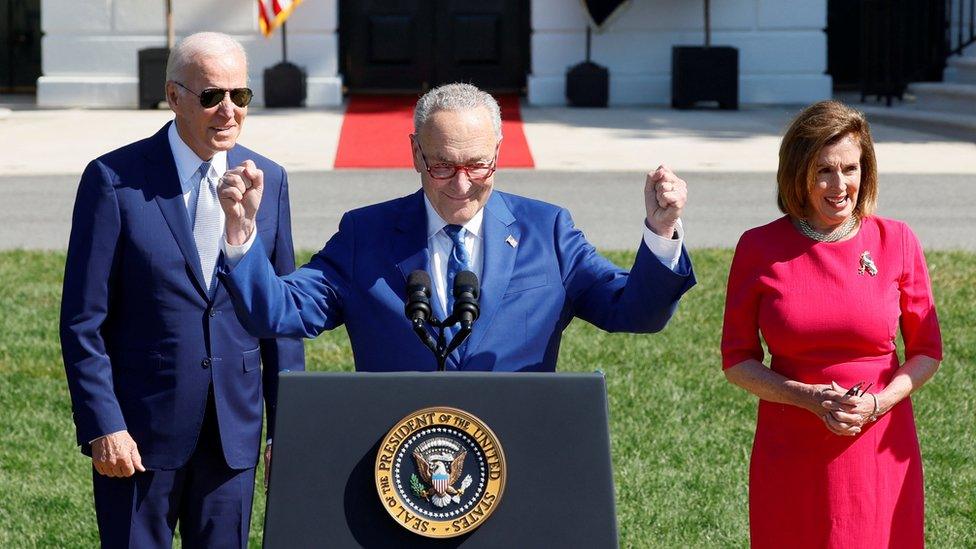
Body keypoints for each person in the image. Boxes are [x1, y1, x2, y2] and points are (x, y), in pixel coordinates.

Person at [217, 82, 696, 373]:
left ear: (499, 155)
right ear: (414, 154)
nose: (461, 185)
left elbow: (636, 312)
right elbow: (277, 313)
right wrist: (241, 234)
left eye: (478, 166)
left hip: (514, 452)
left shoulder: (547, 230)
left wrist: (660, 232)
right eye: (442, 166)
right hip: (397, 463)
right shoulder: (367, 234)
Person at [60, 32, 304, 547]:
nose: (229, 111)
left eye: (240, 96)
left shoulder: (271, 180)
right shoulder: (113, 180)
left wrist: (288, 428)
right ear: (174, 97)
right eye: (213, 96)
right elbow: (84, 322)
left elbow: (279, 320)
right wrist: (105, 424)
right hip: (139, 433)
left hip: (233, 435)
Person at [721, 100, 942, 548]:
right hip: (791, 447)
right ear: (798, 172)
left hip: (877, 448)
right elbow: (737, 361)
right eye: (824, 170)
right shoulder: (758, 247)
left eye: (851, 169)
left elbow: (926, 352)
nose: (840, 185)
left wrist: (878, 403)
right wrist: (806, 397)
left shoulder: (896, 240)